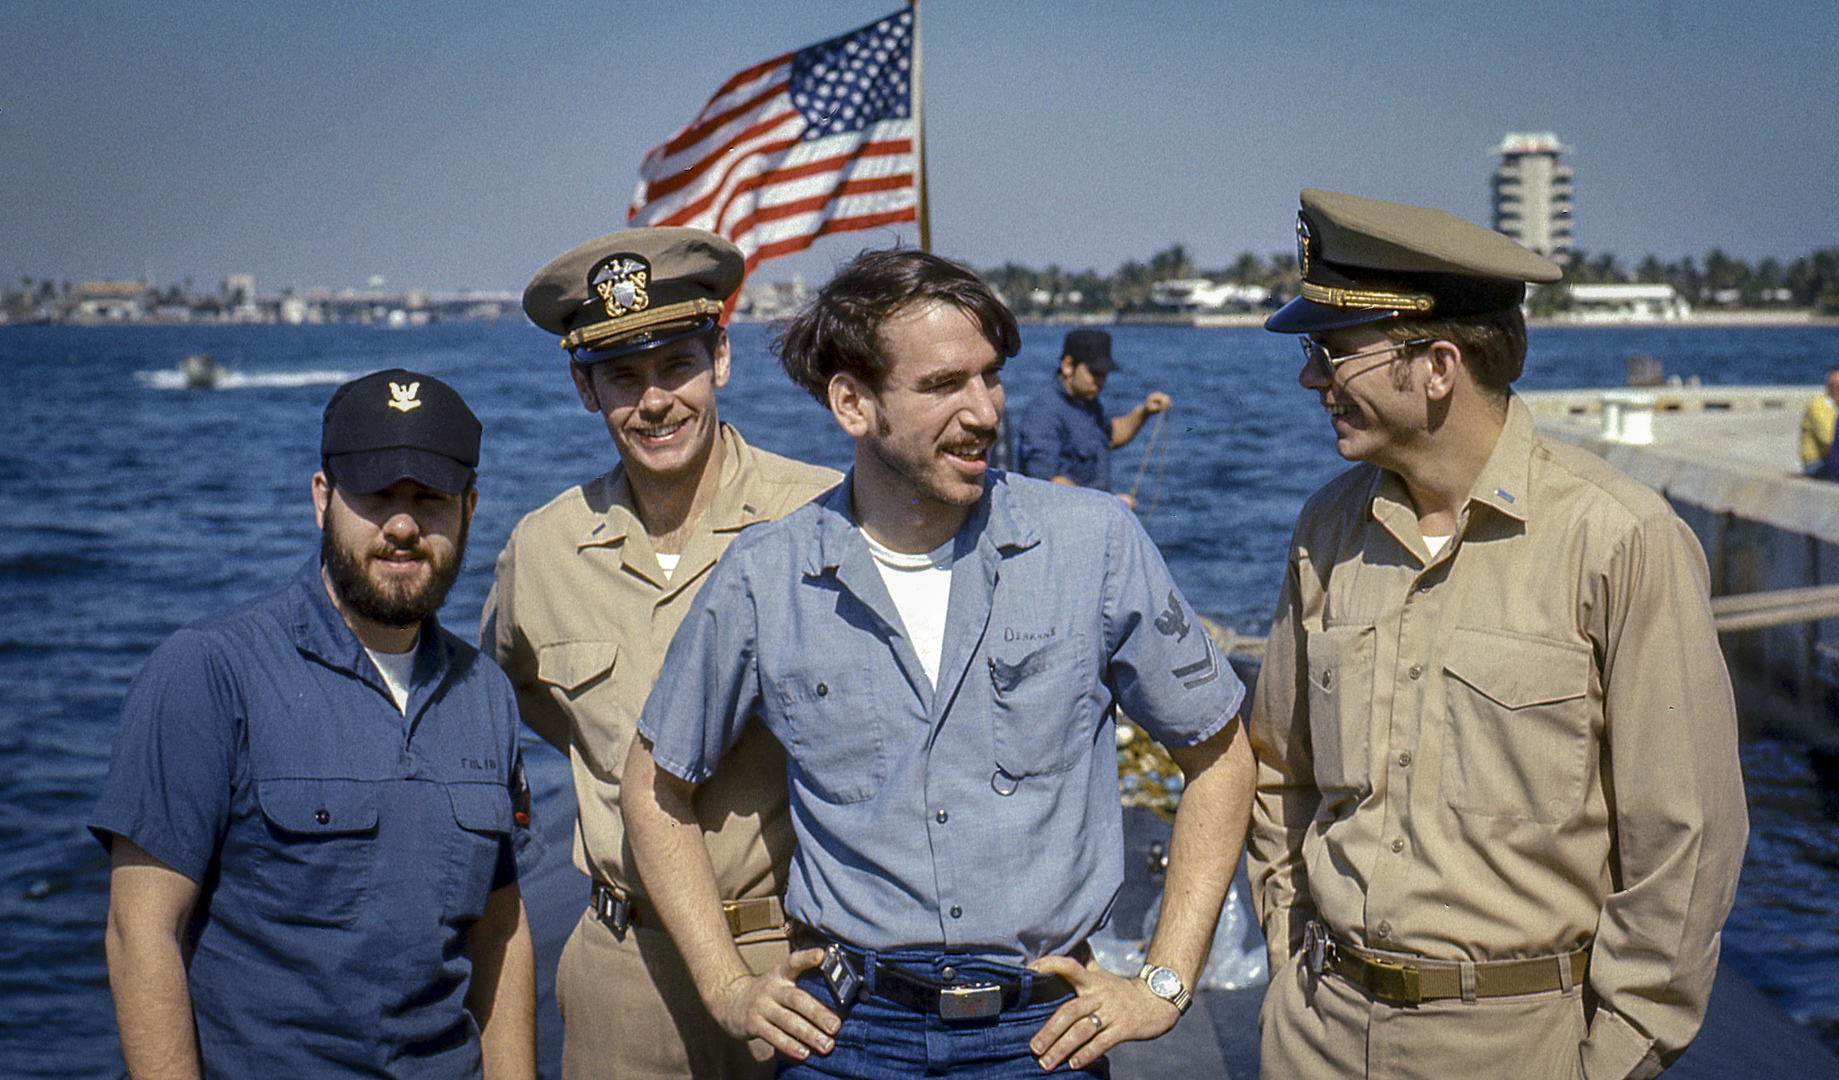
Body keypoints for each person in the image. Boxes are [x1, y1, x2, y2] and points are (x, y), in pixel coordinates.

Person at [621, 250, 1255, 1078]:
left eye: (990, 377)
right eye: (943, 385)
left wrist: (1164, 982)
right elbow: (653, 785)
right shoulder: (766, 578)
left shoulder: (1091, 544)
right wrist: (728, 987)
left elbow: (1220, 754)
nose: (986, 410)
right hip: (843, 1037)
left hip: (1044, 1037)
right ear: (852, 402)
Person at [1246, 189, 1748, 1080]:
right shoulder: (1326, 531)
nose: (1311, 379)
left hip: (1518, 1047)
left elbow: (1685, 835)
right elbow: (1280, 771)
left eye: (1333, 351)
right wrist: (1293, 958)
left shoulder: (1617, 539)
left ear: (1437, 365)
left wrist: (1616, 1056)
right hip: (1316, 1034)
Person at [93, 370, 536, 1080]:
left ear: (470, 511)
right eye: (376, 495)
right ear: (323, 498)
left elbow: (500, 935)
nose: (401, 525)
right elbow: (139, 933)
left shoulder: (484, 692)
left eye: (429, 499)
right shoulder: (209, 672)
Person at [485, 228, 838, 1079]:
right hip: (623, 972)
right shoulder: (544, 550)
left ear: (720, 358)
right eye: (622, 377)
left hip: (798, 964)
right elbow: (515, 698)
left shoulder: (826, 521)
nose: (654, 403)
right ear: (584, 388)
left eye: (675, 366)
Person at [1015, 328, 1171, 508]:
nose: (1100, 382)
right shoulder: (1044, 411)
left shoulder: (1088, 402)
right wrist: (1108, 505)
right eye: (1094, 373)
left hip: (1091, 517)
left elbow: (1111, 436)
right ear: (1068, 366)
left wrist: (1144, 411)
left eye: (1104, 374)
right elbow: (1044, 481)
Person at [1798, 366, 1839, 475]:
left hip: (1837, 458)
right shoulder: (1818, 405)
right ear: (1828, 386)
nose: (1838, 389)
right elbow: (1828, 438)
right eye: (1834, 385)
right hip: (1817, 462)